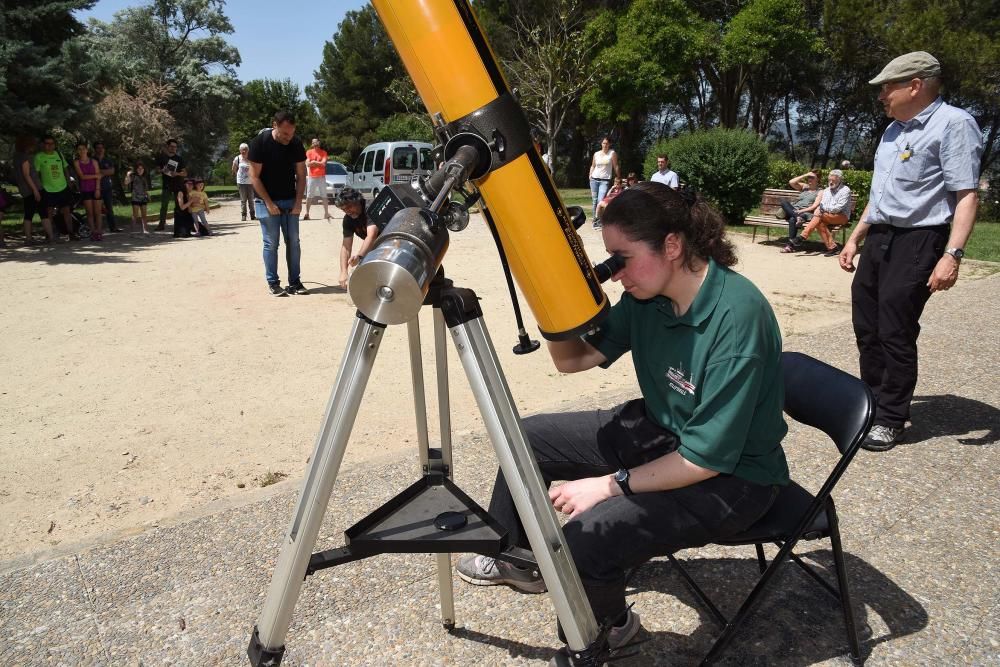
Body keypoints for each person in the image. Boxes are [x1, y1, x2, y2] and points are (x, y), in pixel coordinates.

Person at [456, 182, 789, 663]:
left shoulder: (737, 318)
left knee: (590, 534)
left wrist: (609, 486)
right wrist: (554, 299)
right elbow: (573, 359)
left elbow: (705, 458)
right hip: (662, 435)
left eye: (622, 257)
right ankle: (521, 560)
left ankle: (609, 632)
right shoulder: (648, 297)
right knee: (525, 439)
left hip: (734, 478)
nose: (615, 274)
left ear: (672, 246)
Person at [839, 51, 982, 451]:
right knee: (867, 325)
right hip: (880, 235)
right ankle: (871, 404)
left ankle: (891, 418)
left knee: (894, 329)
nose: (882, 95)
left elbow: (967, 195)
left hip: (920, 239)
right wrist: (855, 237)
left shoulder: (954, 124)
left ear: (915, 85)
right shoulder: (892, 132)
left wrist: (952, 254)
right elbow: (880, 196)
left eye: (888, 86)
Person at [249, 110, 308, 297]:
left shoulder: (296, 143)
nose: (288, 137)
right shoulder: (260, 143)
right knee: (271, 243)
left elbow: (301, 174)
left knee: (294, 242)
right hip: (265, 199)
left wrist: (298, 202)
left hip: (290, 199)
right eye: (284, 133)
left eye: (291, 133)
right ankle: (273, 282)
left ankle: (295, 282)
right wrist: (268, 203)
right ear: (275, 125)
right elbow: (254, 177)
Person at [788, 169, 851, 256]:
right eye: (829, 180)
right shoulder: (826, 191)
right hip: (826, 215)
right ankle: (833, 248)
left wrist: (822, 209)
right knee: (819, 222)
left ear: (839, 180)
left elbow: (838, 208)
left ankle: (802, 237)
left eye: (833, 180)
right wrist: (821, 208)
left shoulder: (845, 190)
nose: (831, 182)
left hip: (841, 216)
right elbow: (822, 204)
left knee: (818, 215)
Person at [13, 136, 56, 244]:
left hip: (26, 190)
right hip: (33, 189)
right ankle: (45, 238)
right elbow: (27, 175)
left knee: (30, 214)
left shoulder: (17, 156)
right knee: (40, 213)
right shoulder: (25, 157)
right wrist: (35, 190)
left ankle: (32, 238)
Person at [34, 136, 77, 241]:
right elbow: (36, 174)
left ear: (55, 144)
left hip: (62, 187)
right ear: (43, 145)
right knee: (49, 212)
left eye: (52, 143)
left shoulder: (59, 154)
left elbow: (65, 168)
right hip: (48, 189)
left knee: (67, 211)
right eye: (47, 143)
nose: (49, 146)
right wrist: (39, 187)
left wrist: (68, 182)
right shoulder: (39, 157)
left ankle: (71, 233)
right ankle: (50, 234)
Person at [336, 187, 378, 290]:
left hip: (394, 240)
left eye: (349, 207)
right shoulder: (348, 219)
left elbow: (372, 236)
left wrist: (359, 256)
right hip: (377, 245)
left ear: (358, 201)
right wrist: (343, 272)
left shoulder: (370, 207)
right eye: (343, 209)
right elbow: (346, 247)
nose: (347, 212)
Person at [778, 171, 820, 253]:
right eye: (809, 177)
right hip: (793, 211)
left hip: (805, 213)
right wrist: (806, 174)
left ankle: (789, 246)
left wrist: (801, 211)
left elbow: (814, 206)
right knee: (783, 201)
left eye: (812, 177)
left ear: (818, 179)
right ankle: (797, 217)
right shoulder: (804, 187)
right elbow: (791, 182)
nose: (809, 179)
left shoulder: (820, 191)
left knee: (792, 220)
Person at [155, 139, 187, 231]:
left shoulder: (179, 159)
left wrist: (177, 173)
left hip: (178, 184)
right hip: (166, 184)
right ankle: (161, 224)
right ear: (167, 147)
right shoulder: (161, 158)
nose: (173, 148)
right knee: (164, 205)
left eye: (175, 147)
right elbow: (157, 170)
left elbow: (185, 173)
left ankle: (180, 224)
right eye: (172, 146)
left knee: (179, 205)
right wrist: (162, 170)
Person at [73, 142, 103, 241]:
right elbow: (82, 176)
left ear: (87, 150)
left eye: (83, 148)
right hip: (85, 189)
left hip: (95, 188)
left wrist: (98, 189)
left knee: (98, 212)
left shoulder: (94, 161)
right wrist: (95, 175)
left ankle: (99, 231)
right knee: (89, 213)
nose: (82, 151)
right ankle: (93, 232)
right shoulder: (76, 162)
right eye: (79, 149)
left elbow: (99, 177)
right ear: (77, 151)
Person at [589, 137, 619, 229]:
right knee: (594, 201)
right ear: (601, 144)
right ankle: (595, 220)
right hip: (594, 180)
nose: (605, 145)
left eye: (607, 143)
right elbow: (593, 166)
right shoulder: (596, 154)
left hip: (604, 180)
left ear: (609, 144)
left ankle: (599, 219)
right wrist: (590, 175)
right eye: (603, 143)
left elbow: (616, 166)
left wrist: (618, 177)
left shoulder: (612, 153)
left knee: (600, 200)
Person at [93, 142, 120, 232]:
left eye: (101, 148)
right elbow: (93, 172)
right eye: (98, 148)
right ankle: (96, 229)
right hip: (95, 187)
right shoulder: (92, 160)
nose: (100, 150)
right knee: (96, 210)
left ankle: (113, 227)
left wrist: (99, 171)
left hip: (107, 187)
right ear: (95, 149)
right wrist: (105, 171)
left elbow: (112, 171)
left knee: (109, 208)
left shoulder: (108, 160)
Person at [303, 138, 330, 221]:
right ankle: (307, 214)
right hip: (312, 177)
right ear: (312, 144)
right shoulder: (309, 152)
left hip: (321, 177)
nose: (315, 143)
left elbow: (323, 164)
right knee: (309, 196)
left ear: (319, 142)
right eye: (314, 142)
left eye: (317, 142)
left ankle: (326, 213)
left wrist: (314, 162)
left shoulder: (324, 152)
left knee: (324, 195)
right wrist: (317, 163)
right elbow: (307, 163)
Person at [126, 162, 151, 235]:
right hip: (135, 198)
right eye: (139, 168)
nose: (140, 170)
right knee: (135, 215)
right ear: (136, 169)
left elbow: (145, 188)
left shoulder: (144, 177)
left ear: (144, 169)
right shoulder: (133, 176)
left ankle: (145, 230)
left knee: (144, 215)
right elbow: (126, 182)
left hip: (143, 198)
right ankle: (133, 231)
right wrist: (127, 174)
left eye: (142, 168)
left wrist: (148, 195)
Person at [232, 143, 255, 221]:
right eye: (242, 149)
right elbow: (234, 169)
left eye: (245, 149)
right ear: (240, 150)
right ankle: (244, 215)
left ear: (248, 150)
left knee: (251, 199)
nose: (244, 151)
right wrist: (238, 177)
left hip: (251, 182)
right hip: (241, 183)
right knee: (243, 200)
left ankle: (252, 215)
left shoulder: (252, 157)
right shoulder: (237, 158)